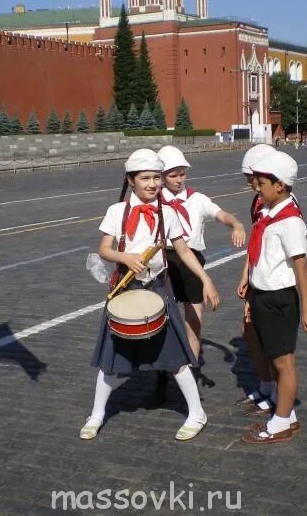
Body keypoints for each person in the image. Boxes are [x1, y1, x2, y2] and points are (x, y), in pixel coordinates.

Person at [80, 149, 220, 442]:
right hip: (125, 289)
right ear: (131, 180)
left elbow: (182, 250)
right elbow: (104, 249)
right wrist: (126, 257)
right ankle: (96, 415)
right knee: (111, 356)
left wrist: (205, 278)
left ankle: (197, 413)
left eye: (157, 177)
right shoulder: (117, 211)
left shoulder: (166, 212)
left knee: (175, 355)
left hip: (158, 289)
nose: (153, 184)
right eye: (146, 178)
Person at [237, 151, 307, 443]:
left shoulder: (290, 222)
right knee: (274, 359)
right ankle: (289, 415)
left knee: (284, 363)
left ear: (280, 186)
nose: (256, 188)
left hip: (280, 299)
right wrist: (251, 290)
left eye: (260, 183)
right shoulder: (267, 214)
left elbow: (302, 268)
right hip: (263, 295)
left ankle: (281, 423)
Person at [157, 145, 245, 366]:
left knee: (194, 318)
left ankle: (192, 365)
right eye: (173, 175)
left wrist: (236, 223)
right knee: (161, 318)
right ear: (162, 176)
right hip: (163, 261)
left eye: (182, 174)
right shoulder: (155, 201)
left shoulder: (197, 199)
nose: (179, 179)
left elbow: (220, 213)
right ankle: (161, 371)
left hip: (192, 262)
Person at [234, 144, 277, 412]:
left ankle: (275, 394)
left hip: (271, 280)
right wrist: (244, 275)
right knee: (250, 332)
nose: (251, 185)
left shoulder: (276, 204)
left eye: (254, 180)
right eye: (250, 180)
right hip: (257, 275)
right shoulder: (259, 200)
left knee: (267, 338)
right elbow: (254, 239)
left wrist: (254, 281)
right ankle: (266, 386)